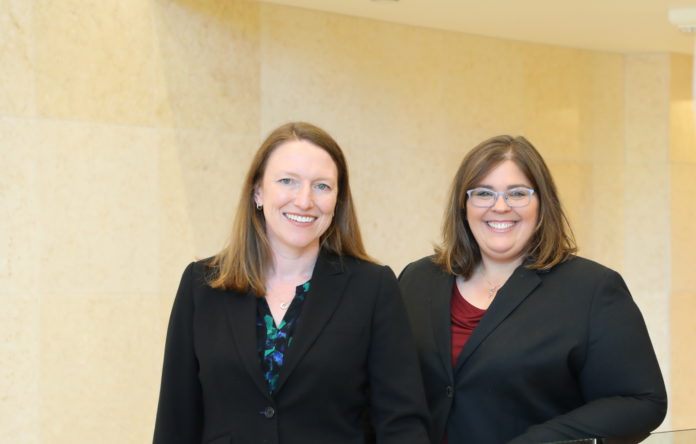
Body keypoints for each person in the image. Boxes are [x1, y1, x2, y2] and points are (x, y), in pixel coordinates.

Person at [153, 122, 430, 444]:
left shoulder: (373, 288)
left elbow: (401, 423)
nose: (304, 200)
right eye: (288, 181)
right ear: (258, 191)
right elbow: (176, 417)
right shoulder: (201, 285)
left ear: (338, 199)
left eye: (322, 186)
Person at [399, 135, 667, 444]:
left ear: (542, 203)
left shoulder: (592, 288)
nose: (500, 207)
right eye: (483, 193)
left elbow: (641, 401)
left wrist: (539, 441)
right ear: (464, 205)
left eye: (517, 194)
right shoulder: (416, 279)